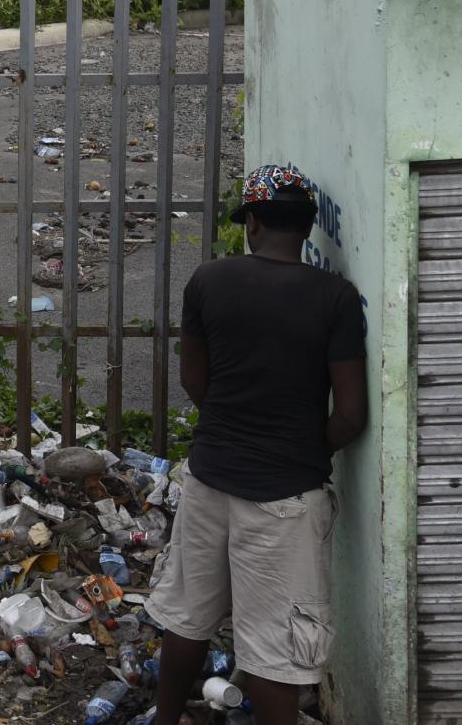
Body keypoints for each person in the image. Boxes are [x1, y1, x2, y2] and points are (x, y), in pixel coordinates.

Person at [146, 166, 367, 725]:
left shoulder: (209, 282)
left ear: (252, 221)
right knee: (275, 653)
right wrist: (303, 447)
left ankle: (167, 719)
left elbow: (195, 382)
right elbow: (351, 414)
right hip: (285, 497)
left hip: (210, 476)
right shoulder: (335, 297)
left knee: (188, 619)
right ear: (308, 227)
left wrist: (232, 424)